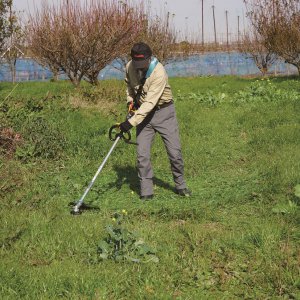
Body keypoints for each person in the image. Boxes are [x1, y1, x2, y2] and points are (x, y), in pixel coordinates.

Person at [119, 42, 191, 200]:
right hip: (142, 116)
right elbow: (129, 87)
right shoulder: (130, 66)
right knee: (142, 155)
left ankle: (180, 185)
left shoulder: (159, 72)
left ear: (149, 58)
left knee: (174, 153)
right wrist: (130, 103)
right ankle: (146, 191)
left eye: (142, 63)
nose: (139, 66)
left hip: (164, 113)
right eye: (136, 63)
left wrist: (130, 123)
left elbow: (150, 102)